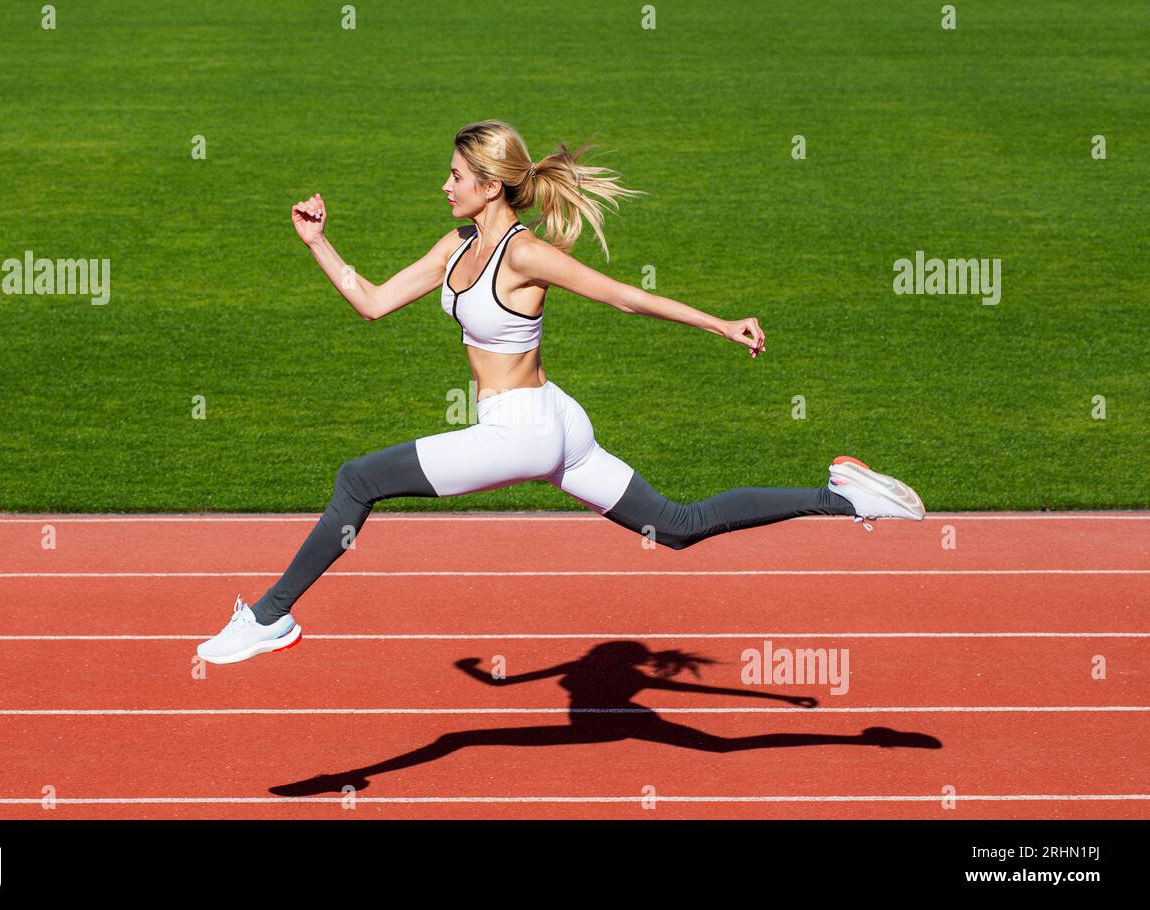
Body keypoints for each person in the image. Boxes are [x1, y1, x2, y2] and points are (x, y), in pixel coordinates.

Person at [197, 120, 924, 665]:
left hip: (524, 432)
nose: (444, 185)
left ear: (490, 184)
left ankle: (270, 616)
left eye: (454, 175)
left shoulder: (528, 255)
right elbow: (373, 302)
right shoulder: (455, 246)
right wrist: (318, 243)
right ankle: (846, 494)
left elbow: (623, 298)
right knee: (676, 525)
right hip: (553, 423)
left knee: (359, 479)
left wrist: (719, 323)